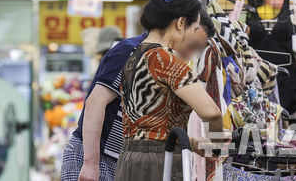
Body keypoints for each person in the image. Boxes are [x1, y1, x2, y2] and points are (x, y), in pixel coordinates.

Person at [62, 9, 215, 181]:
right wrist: (91, 164)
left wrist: (195, 144)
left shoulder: (167, 64)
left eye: (197, 48)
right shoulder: (131, 52)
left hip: (126, 160)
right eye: (191, 43)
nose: (190, 53)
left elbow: (152, 122)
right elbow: (95, 103)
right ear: (179, 26)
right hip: (98, 155)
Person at [116, 0, 225, 181]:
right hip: (160, 162)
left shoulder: (134, 56)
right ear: (181, 23)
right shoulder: (165, 59)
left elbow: (150, 126)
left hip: (128, 159)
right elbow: (211, 113)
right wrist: (217, 145)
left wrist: (193, 144)